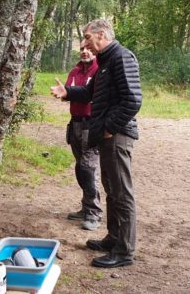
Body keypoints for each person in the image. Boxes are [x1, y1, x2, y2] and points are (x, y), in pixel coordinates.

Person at [51, 19, 142, 268]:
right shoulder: (104, 62)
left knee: (122, 193)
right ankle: (113, 239)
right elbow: (91, 94)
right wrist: (68, 93)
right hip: (106, 136)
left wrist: (110, 128)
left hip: (117, 135)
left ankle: (124, 252)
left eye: (87, 37)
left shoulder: (122, 57)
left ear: (101, 35)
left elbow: (133, 100)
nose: (85, 42)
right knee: (111, 189)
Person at [65, 40, 103, 231]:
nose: (85, 52)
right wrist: (63, 93)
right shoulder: (74, 72)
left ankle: (94, 213)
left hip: (91, 124)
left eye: (88, 48)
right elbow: (68, 93)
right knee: (81, 168)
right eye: (81, 49)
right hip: (76, 124)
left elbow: (89, 95)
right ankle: (85, 206)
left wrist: (71, 93)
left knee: (88, 169)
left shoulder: (100, 71)